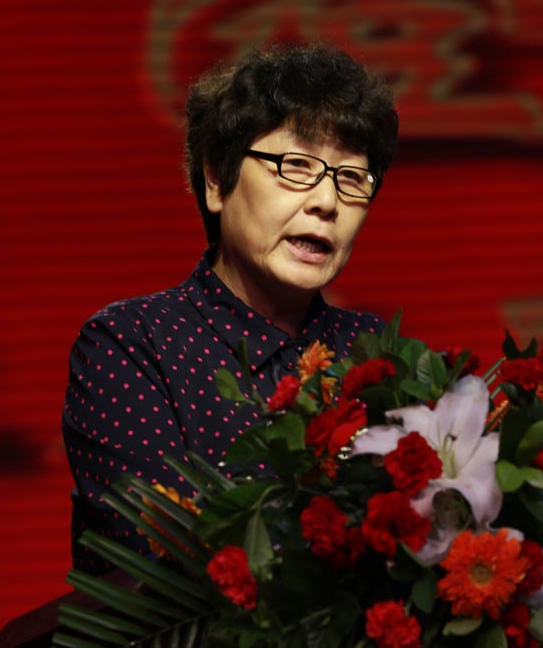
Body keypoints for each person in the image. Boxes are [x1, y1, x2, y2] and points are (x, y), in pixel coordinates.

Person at [62, 43, 399, 574]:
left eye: (352, 178)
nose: (327, 202)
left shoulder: (376, 351)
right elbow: (163, 561)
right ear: (217, 180)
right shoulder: (131, 346)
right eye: (296, 166)